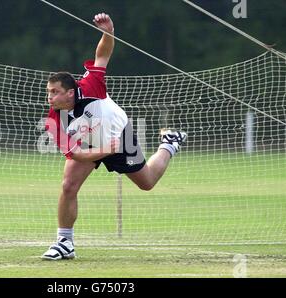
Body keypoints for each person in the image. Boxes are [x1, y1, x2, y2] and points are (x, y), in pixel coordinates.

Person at [42, 13, 187, 260]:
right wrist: (103, 151)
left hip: (119, 136)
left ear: (70, 93)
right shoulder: (54, 119)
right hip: (91, 144)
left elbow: (102, 54)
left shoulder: (90, 85)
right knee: (68, 185)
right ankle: (64, 243)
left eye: (55, 92)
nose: (50, 97)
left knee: (147, 183)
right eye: (48, 92)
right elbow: (74, 153)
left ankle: (169, 143)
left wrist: (108, 31)